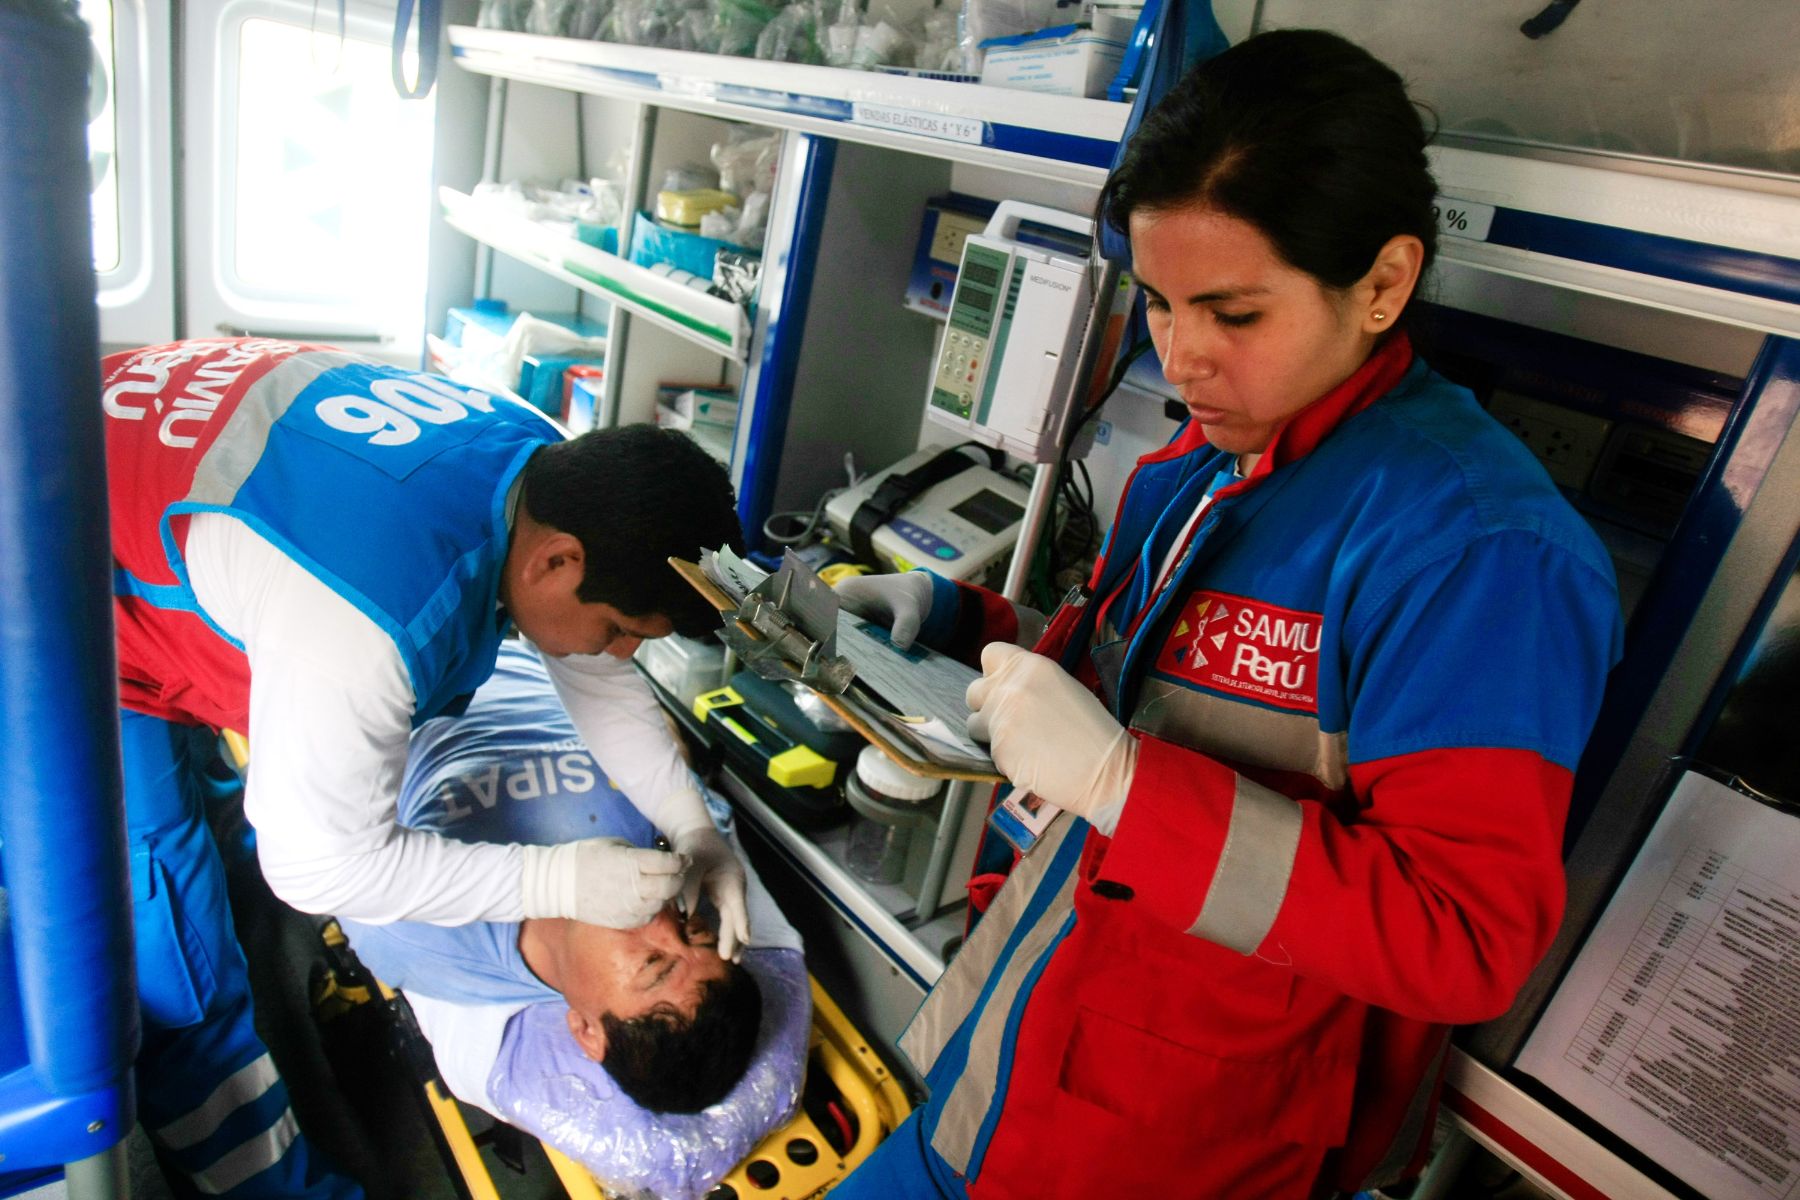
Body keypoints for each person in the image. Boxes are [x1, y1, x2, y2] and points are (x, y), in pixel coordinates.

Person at [831, 29, 1624, 1199]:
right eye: (1158, 303)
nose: (1183, 356)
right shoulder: (1201, 468)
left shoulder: (1477, 554)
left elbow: (1465, 938)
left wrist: (1125, 791)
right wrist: (959, 621)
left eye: (1234, 314)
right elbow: (1132, 689)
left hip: (1175, 1146)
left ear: (1385, 283)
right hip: (1000, 1061)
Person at [102, 339, 747, 1197]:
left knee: (233, 814)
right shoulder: (367, 617)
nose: (622, 653)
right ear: (556, 561)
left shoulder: (531, 455)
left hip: (135, 452)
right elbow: (312, 863)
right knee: (168, 925)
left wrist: (694, 824)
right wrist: (557, 881)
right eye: (623, 628)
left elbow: (594, 670)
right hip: (48, 573)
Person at [337, 643, 810, 1198]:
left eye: (653, 964)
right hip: (548, 659)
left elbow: (336, 827)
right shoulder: (675, 856)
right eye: (691, 931)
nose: (663, 921)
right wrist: (695, 829)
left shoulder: (414, 931)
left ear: (585, 1029)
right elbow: (663, 742)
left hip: (408, 677)